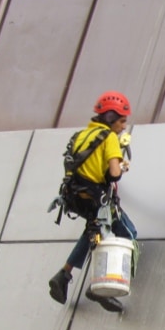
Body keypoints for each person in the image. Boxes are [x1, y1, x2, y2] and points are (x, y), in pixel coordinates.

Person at [48, 90, 138, 313]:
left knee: (94, 230)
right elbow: (114, 174)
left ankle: (64, 274)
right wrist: (121, 165)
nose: (123, 126)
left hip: (75, 198)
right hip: (97, 199)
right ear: (110, 118)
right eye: (121, 121)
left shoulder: (81, 135)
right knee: (128, 233)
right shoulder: (109, 139)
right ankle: (98, 286)